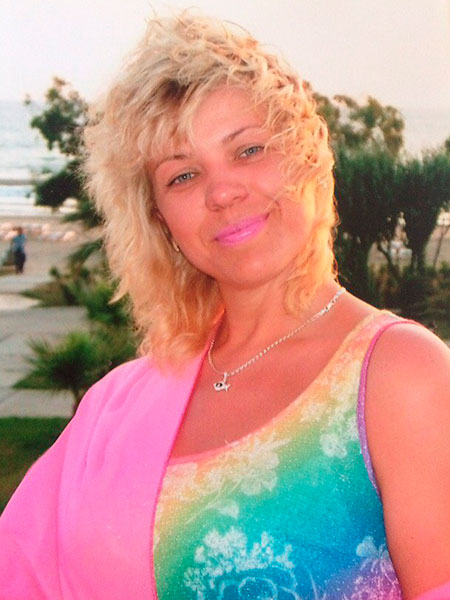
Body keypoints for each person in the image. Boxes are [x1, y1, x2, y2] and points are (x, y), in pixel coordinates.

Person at [0, 13, 449, 600]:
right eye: (182, 176)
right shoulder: (115, 406)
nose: (222, 191)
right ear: (160, 219)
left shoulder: (401, 375)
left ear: (307, 156)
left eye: (249, 149)